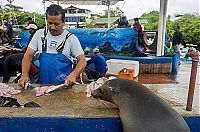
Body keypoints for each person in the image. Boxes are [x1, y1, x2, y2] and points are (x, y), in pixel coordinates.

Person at [18, 4, 86, 87]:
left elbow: (82, 60)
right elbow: (28, 55)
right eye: (50, 23)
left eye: (56, 24)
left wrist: (73, 75)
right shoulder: (39, 34)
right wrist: (24, 75)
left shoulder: (71, 38)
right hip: (43, 86)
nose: (52, 27)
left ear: (63, 22)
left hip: (64, 86)